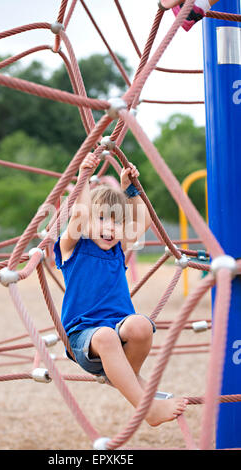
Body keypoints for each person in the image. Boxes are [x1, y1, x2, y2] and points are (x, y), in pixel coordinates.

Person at [54, 153, 188, 427]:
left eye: (116, 222)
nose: (110, 227)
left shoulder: (118, 249)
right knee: (104, 336)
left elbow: (144, 222)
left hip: (121, 333)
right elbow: (79, 215)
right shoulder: (72, 248)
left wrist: (130, 188)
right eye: (102, 218)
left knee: (141, 325)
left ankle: (122, 377)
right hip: (85, 338)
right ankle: (146, 409)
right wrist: (82, 178)